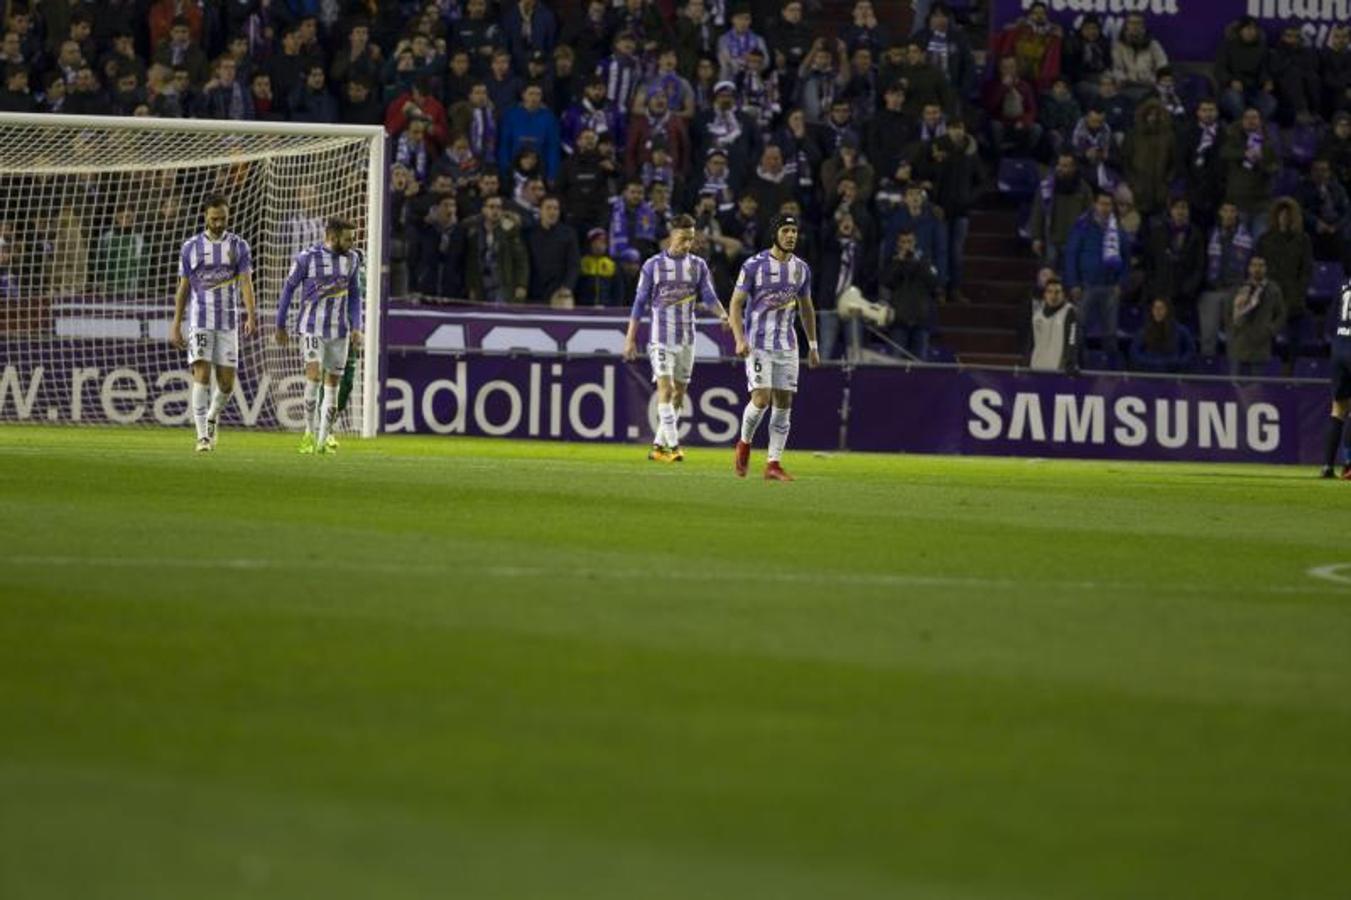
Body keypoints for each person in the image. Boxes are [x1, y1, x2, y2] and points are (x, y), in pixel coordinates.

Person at [622, 214, 730, 462]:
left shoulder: (698, 266)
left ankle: (659, 446)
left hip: (687, 338)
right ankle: (673, 446)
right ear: (671, 236)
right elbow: (639, 304)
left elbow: (709, 297)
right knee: (666, 388)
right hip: (661, 338)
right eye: (683, 239)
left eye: (690, 239)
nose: (687, 244)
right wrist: (630, 339)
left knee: (679, 393)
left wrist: (723, 315)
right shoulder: (652, 265)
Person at [729, 214, 820, 482]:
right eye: (786, 230)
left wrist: (813, 345)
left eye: (794, 230)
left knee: (784, 401)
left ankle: (773, 463)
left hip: (787, 345)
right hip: (758, 344)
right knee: (761, 399)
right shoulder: (753, 265)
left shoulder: (801, 269)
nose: (791, 235)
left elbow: (806, 308)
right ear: (775, 234)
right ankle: (744, 444)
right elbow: (735, 304)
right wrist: (739, 338)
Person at [169, 194, 258, 453]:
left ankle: (211, 416)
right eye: (214, 219)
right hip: (200, 321)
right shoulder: (190, 247)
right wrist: (176, 323)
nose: (219, 223)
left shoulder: (239, 246)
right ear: (205, 216)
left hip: (228, 321)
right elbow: (183, 288)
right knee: (202, 374)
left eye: (223, 219)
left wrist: (251, 315)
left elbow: (245, 282)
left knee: (227, 384)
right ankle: (202, 437)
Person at [274, 218, 364, 455]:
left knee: (332, 385)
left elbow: (355, 296)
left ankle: (323, 440)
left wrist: (357, 326)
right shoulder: (307, 258)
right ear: (332, 237)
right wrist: (280, 324)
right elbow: (288, 289)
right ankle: (308, 434)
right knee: (313, 376)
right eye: (348, 239)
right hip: (312, 327)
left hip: (340, 332)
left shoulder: (353, 260)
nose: (352, 243)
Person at [1063, 190, 1129, 364]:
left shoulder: (1118, 229)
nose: (1105, 208)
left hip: (1110, 288)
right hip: (1086, 286)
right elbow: (1071, 255)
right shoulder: (1082, 226)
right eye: (1102, 204)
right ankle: (1077, 365)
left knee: (1110, 332)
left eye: (1108, 204)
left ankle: (1111, 369)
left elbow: (1126, 258)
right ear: (1095, 205)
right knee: (1078, 329)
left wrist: (1121, 284)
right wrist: (1073, 283)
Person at [879, 228, 940, 359]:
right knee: (896, 363)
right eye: (903, 242)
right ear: (898, 244)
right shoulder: (892, 261)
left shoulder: (925, 260)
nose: (906, 245)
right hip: (899, 320)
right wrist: (898, 262)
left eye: (909, 241)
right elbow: (886, 282)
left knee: (920, 363)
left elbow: (933, 282)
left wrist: (918, 262)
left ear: (915, 242)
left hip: (920, 320)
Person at [1319, 276, 1351, 479]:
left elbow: (1331, 319)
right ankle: (1349, 464)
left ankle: (1327, 466)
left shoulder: (1343, 285)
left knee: (1338, 409)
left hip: (1339, 347)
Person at [1027, 275, 1079, 373]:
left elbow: (1072, 340)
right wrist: (1026, 362)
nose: (1053, 296)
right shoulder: (1037, 315)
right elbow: (1030, 343)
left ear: (1063, 294)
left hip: (1058, 371)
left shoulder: (1069, 312)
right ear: (1045, 294)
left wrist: (1070, 363)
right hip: (1036, 368)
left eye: (1057, 292)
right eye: (1049, 292)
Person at [1129, 297, 1195, 373]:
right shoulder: (1144, 331)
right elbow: (1134, 352)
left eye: (1161, 308)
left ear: (1168, 310)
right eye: (1155, 308)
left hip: (1173, 373)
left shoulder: (1181, 330)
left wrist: (1179, 363)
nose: (1157, 311)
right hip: (1149, 373)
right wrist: (1149, 363)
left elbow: (1190, 350)